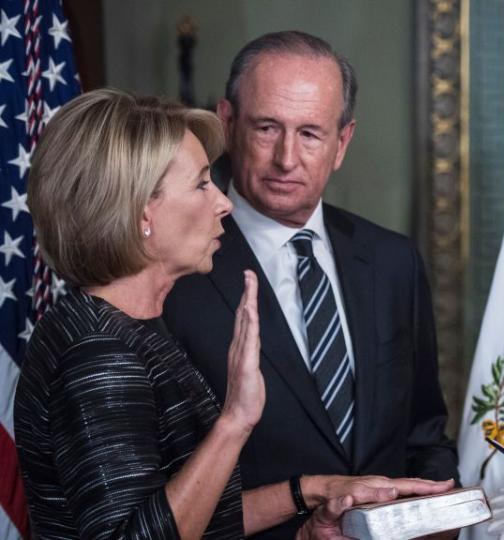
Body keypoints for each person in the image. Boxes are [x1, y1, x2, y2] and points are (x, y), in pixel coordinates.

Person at [15, 88, 452, 539]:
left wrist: (308, 496)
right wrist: (235, 421)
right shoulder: (99, 351)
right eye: (202, 184)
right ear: (143, 210)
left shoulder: (127, 328)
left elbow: (187, 514)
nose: (223, 202)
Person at [162, 31, 459, 538]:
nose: (286, 158)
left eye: (310, 134)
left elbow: (424, 436)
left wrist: (437, 517)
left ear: (342, 142)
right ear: (227, 123)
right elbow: (157, 496)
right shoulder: (174, 271)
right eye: (267, 128)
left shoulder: (392, 261)